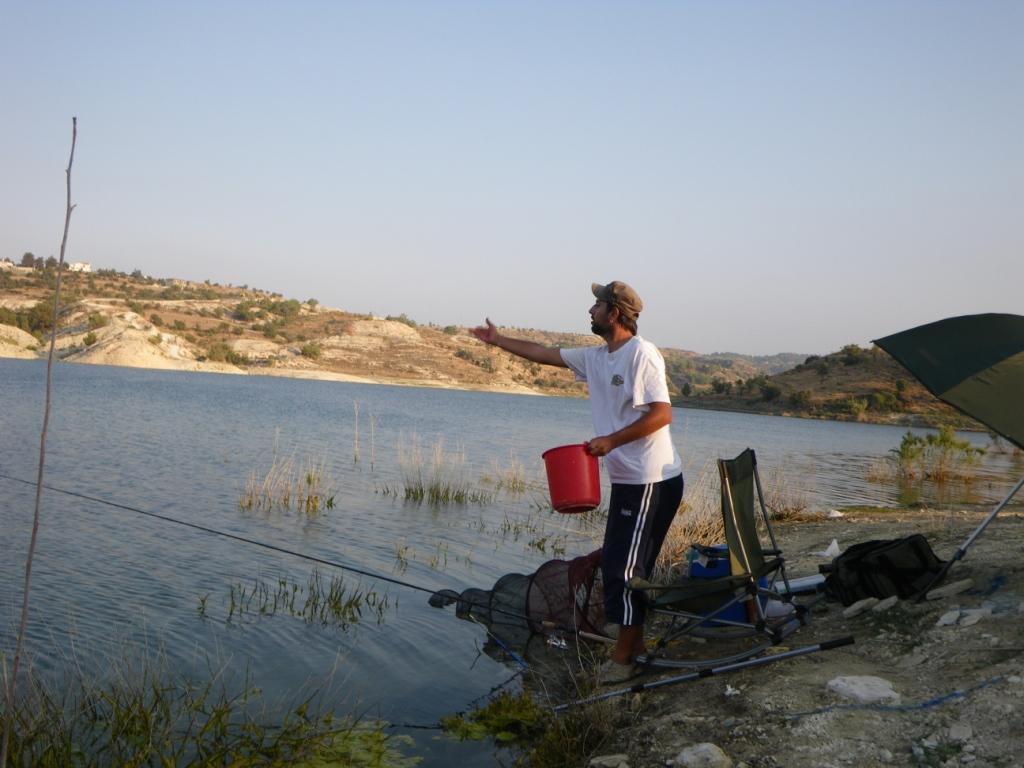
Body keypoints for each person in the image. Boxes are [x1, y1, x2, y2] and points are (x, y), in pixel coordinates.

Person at [472, 281, 683, 684]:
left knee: (625, 570)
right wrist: (498, 340)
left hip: (651, 480)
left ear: (614, 313)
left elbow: (662, 414)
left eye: (597, 304)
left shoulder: (642, 354)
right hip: (629, 481)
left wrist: (611, 440)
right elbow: (545, 354)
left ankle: (623, 661)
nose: (590, 310)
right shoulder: (598, 357)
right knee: (623, 565)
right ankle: (633, 646)